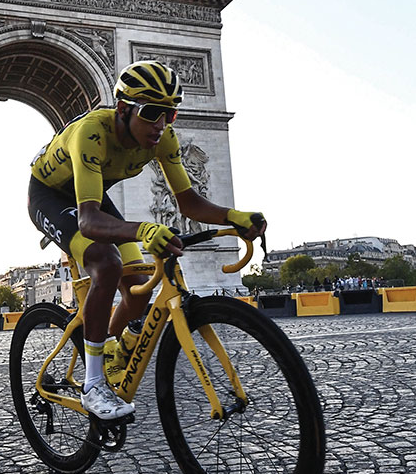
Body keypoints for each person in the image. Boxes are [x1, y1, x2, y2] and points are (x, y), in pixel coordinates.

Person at [28, 60, 266, 420]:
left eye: (169, 115)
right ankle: (93, 385)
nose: (160, 125)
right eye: (152, 112)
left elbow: (188, 202)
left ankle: (110, 348)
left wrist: (233, 216)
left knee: (138, 289)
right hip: (50, 195)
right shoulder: (91, 133)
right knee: (107, 264)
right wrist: (144, 230)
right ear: (123, 109)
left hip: (91, 193)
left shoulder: (163, 138)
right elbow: (90, 221)